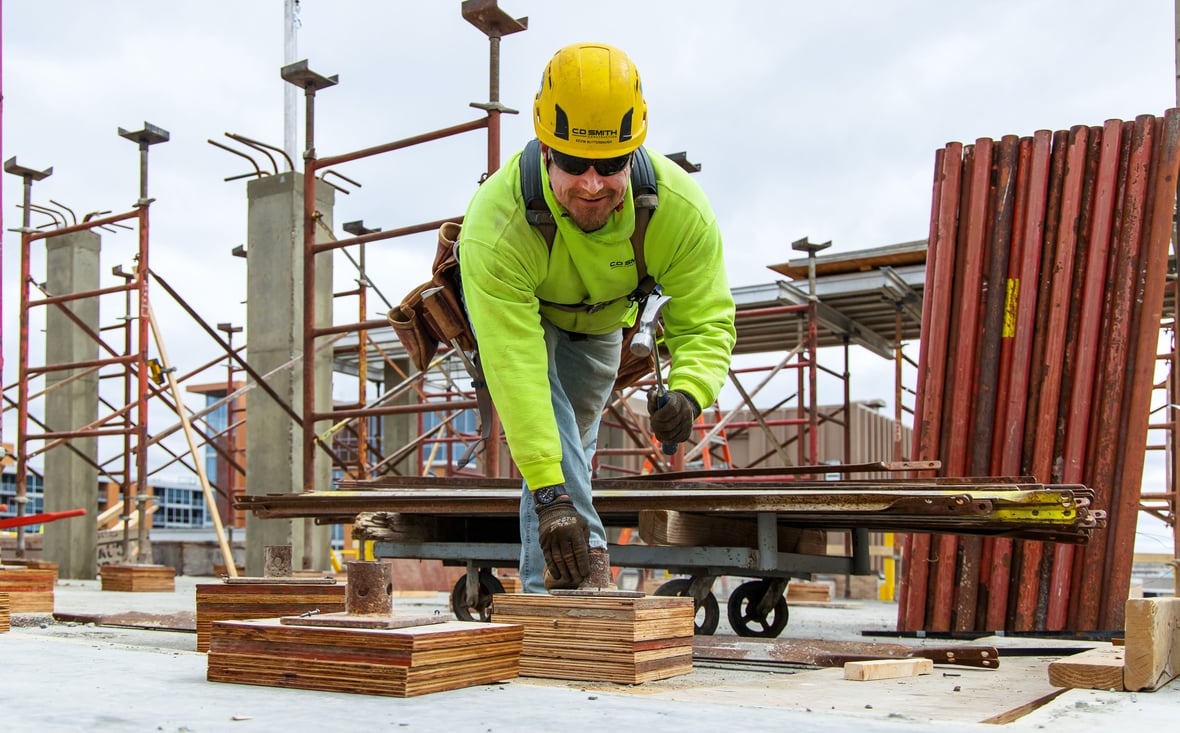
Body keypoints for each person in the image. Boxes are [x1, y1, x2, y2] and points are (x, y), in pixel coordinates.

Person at [457, 42, 736, 593]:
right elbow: (518, 371)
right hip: (520, 316)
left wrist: (691, 390)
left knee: (576, 443)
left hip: (603, 323)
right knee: (554, 447)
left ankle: (553, 584)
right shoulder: (497, 222)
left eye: (610, 167)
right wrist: (551, 496)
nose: (591, 184)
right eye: (571, 164)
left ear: (634, 153)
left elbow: (705, 318)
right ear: (543, 149)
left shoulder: (680, 211)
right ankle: (568, 588)